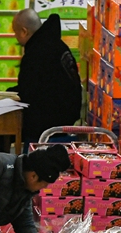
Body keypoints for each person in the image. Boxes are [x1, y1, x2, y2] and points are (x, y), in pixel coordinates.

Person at [9, 9, 83, 143]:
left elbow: (28, 93)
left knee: (3, 130)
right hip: (68, 118)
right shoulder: (59, 45)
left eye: (16, 32)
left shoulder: (35, 54)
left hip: (46, 124)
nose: (15, 37)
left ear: (24, 31)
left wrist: (8, 95)